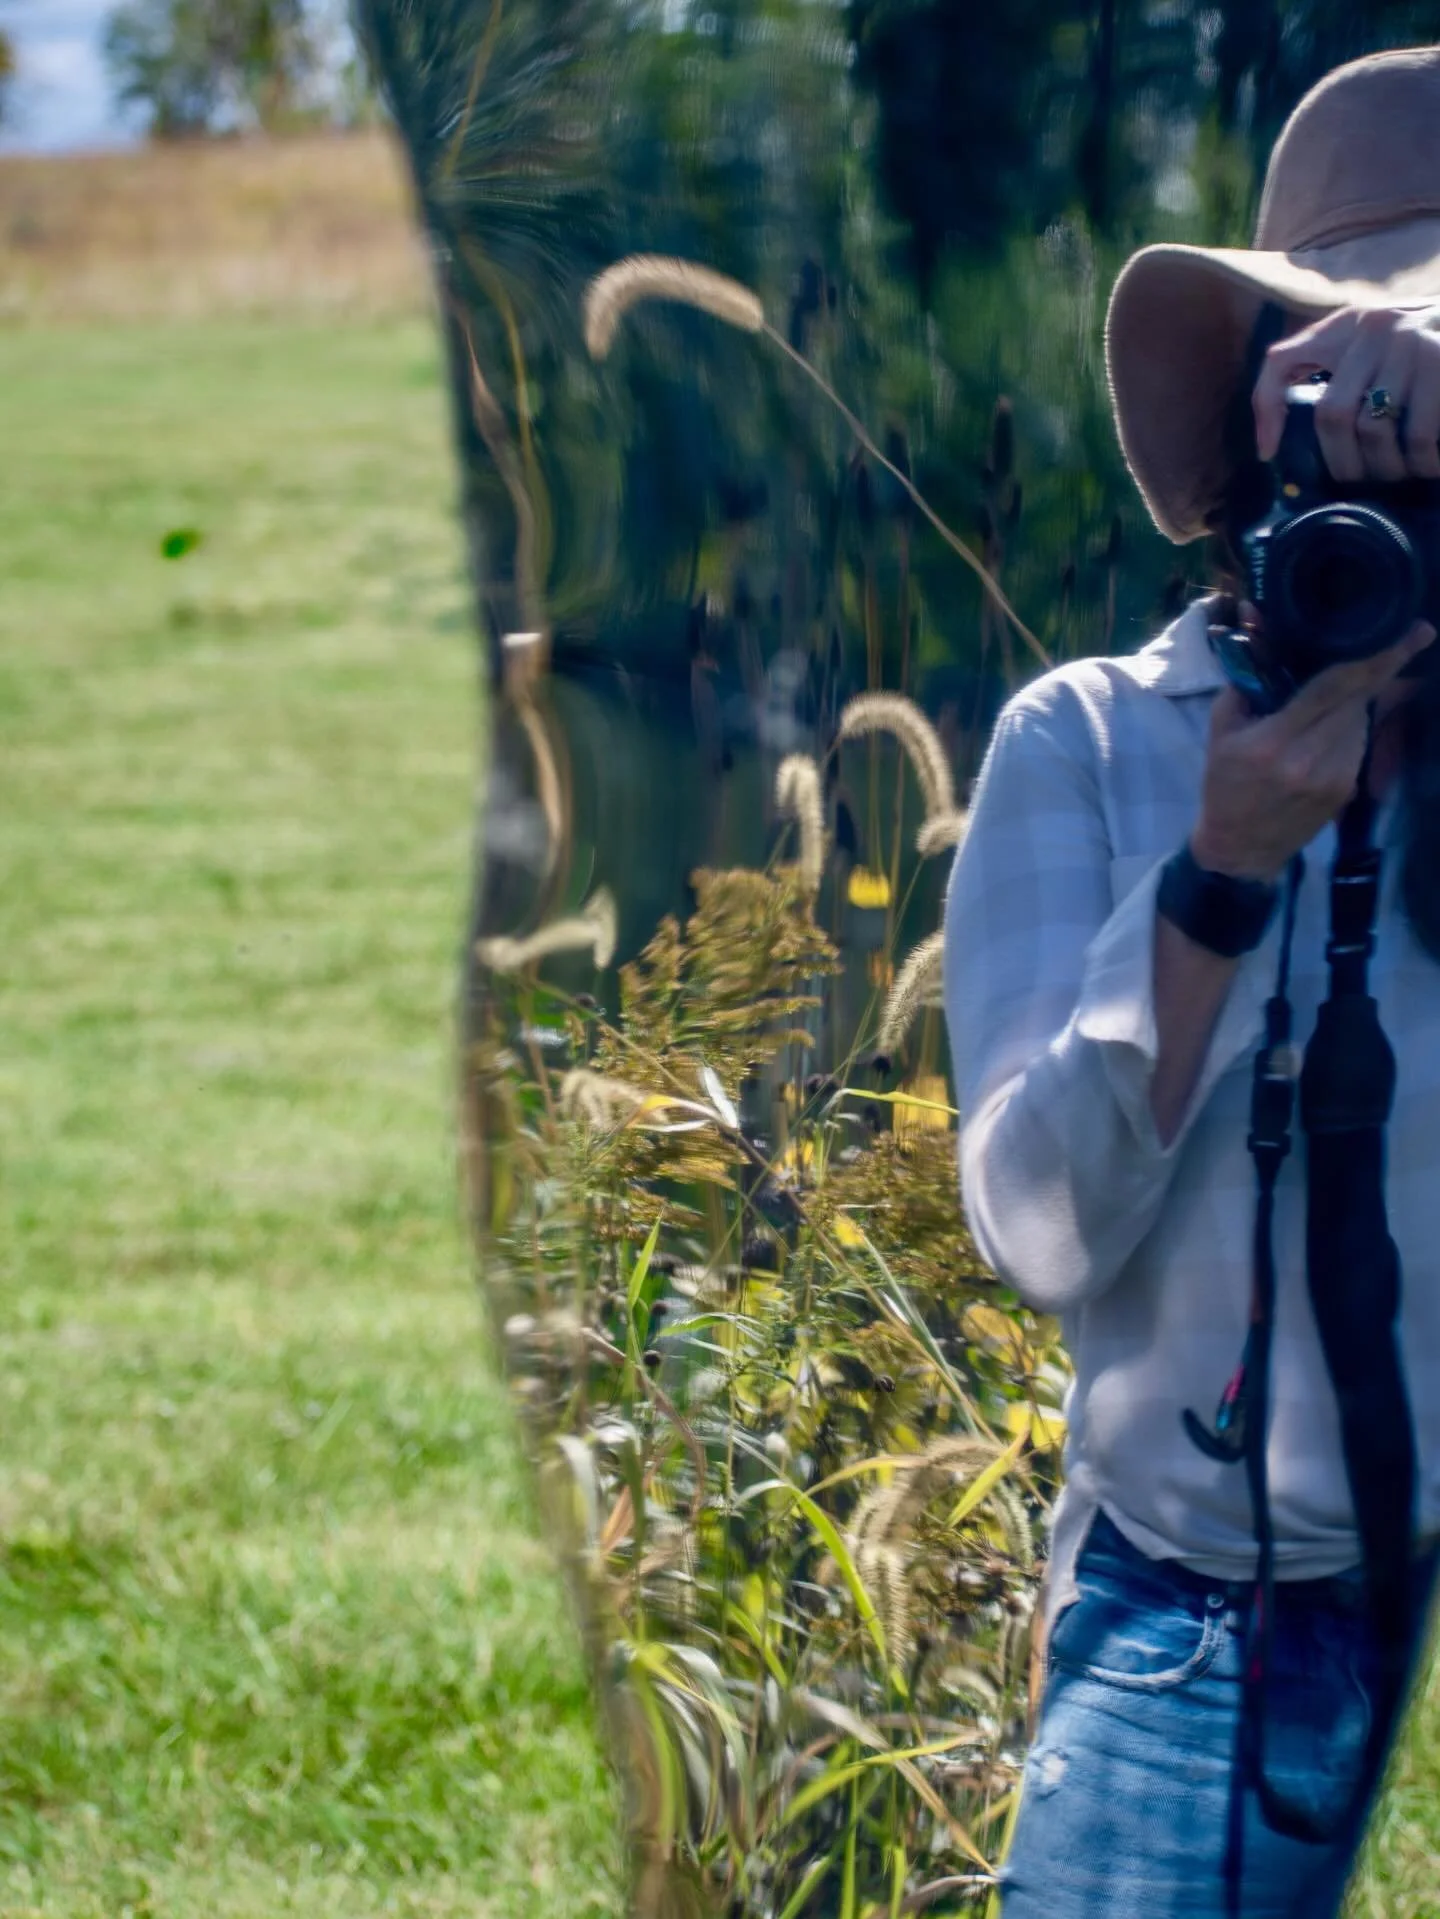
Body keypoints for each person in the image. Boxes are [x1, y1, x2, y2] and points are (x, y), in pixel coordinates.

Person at [943, 46, 1440, 1919]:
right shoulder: (1091, 742)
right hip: (1222, 1592)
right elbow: (1037, 1228)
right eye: (1342, 408)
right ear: (1256, 430)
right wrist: (1219, 880)